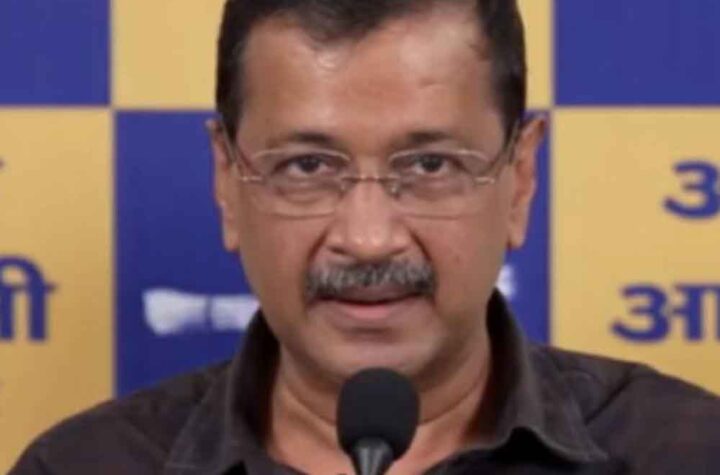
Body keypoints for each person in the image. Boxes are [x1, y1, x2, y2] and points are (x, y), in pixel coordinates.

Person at [11, 1, 720, 473]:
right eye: (308, 167)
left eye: (430, 165)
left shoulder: (684, 454)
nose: (370, 238)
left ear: (522, 178)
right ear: (227, 181)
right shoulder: (84, 466)